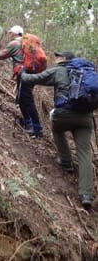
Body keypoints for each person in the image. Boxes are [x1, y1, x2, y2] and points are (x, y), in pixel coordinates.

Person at [20, 51, 94, 209]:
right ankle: (86, 194)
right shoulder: (88, 73)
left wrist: (22, 72)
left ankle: (66, 162)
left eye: (58, 56)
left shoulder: (58, 70)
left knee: (56, 126)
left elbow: (32, 79)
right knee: (85, 152)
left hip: (64, 115)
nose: (56, 58)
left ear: (65, 59)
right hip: (86, 118)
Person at [0, 25, 43, 137]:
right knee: (23, 99)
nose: (9, 34)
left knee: (26, 99)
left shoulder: (15, 44)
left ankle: (36, 128)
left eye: (10, 33)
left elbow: (1, 55)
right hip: (33, 74)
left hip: (24, 74)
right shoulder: (27, 44)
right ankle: (29, 123)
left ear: (15, 33)